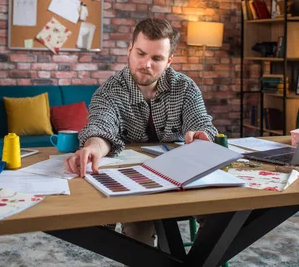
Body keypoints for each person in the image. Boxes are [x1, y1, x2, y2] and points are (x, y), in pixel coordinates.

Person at [65, 18, 218, 245]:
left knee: (219, 215)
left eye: (156, 58)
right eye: (140, 53)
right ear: (130, 50)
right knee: (137, 230)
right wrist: (92, 147)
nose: (146, 64)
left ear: (169, 61)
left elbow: (201, 124)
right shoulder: (109, 90)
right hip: (136, 182)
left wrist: (200, 136)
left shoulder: (185, 87)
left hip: (180, 177)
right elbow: (101, 128)